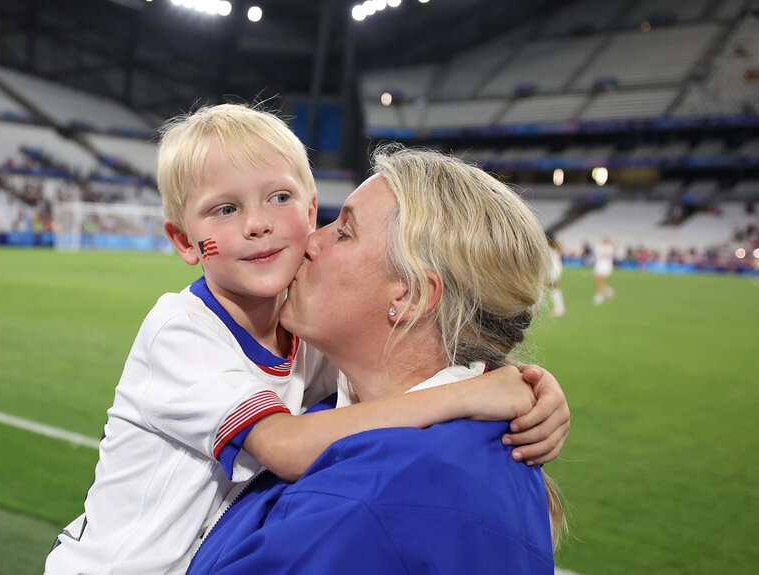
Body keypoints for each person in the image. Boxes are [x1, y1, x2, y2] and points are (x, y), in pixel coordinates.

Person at [45, 106, 570, 574]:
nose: (262, 226)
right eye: (225, 209)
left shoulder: (365, 496)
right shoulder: (182, 330)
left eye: (339, 228)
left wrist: (521, 384)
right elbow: (286, 446)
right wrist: (476, 390)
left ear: (409, 295)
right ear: (184, 240)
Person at [187, 146, 567, 574]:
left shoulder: (358, 507)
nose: (310, 241)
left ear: (410, 296)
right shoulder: (475, 436)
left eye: (344, 232)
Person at [593, 235, 615, 305]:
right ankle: (608, 291)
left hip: (606, 266)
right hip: (599, 265)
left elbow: (608, 255)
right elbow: (598, 253)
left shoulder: (610, 246)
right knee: (597, 280)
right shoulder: (598, 245)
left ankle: (600, 295)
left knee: (600, 279)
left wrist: (603, 254)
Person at [548, 235, 566, 317]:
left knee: (553, 288)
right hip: (555, 267)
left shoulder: (548, 247)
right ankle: (559, 308)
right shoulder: (556, 246)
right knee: (552, 288)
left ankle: (559, 308)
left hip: (552, 269)